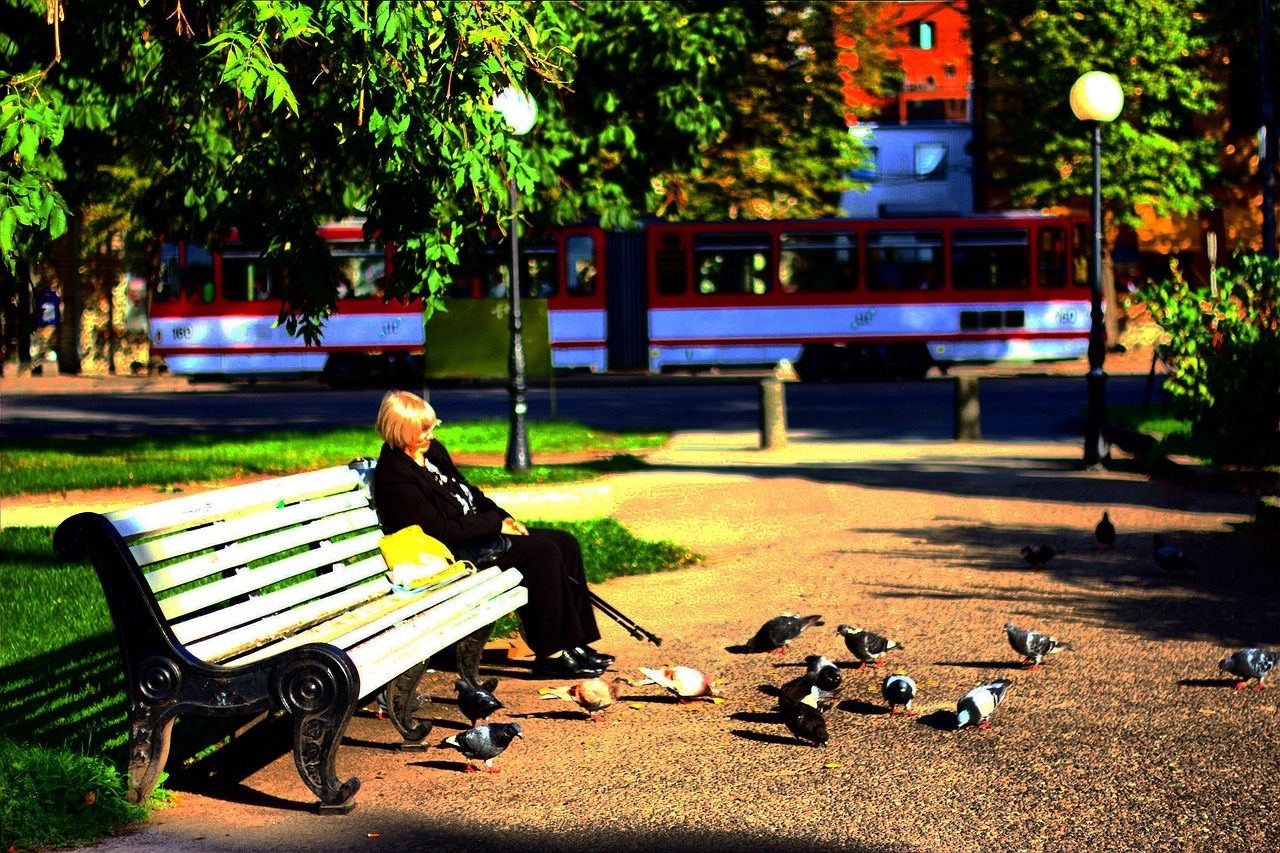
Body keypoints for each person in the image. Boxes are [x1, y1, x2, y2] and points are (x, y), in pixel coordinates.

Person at [371, 390, 613, 679]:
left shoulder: (432, 454)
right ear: (404, 431)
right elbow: (442, 530)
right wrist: (494, 525)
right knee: (542, 552)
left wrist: (503, 517)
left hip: (474, 532)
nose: (432, 435)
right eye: (424, 430)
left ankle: (575, 641)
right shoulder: (395, 475)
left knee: (564, 542)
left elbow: (471, 493)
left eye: (433, 427)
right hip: (449, 550)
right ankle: (552, 653)